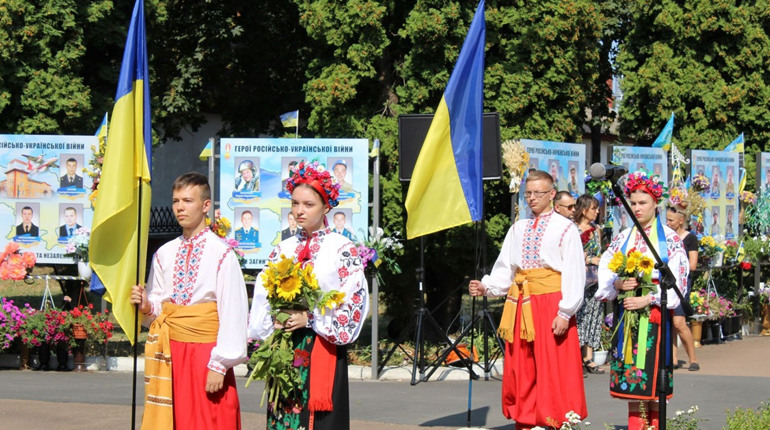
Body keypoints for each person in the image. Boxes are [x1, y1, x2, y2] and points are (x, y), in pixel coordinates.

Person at [249, 161, 369, 430]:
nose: (299, 211)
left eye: (308, 204)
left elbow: (354, 301)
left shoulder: (342, 249)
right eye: (294, 203)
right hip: (285, 349)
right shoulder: (283, 248)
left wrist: (311, 318)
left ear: (326, 206)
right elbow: (262, 294)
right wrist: (272, 321)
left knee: (321, 421)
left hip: (322, 347)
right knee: (283, 415)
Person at [468, 170, 586, 429]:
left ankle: (554, 419)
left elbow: (575, 272)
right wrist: (487, 286)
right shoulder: (518, 228)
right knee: (522, 362)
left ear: (552, 194)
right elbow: (505, 268)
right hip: (521, 302)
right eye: (528, 193)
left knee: (552, 364)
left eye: (538, 193)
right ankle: (526, 418)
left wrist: (565, 312)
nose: (532, 198)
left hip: (551, 301)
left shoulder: (565, 228)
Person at [130, 172, 248, 430]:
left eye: (187, 200)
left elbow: (233, 313)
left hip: (206, 354)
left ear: (206, 205)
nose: (180, 207)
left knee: (212, 420)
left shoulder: (223, 254)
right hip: (170, 352)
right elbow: (159, 311)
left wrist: (220, 364)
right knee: (175, 421)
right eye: (175, 201)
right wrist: (147, 306)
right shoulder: (164, 253)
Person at [596, 170, 689, 430]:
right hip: (627, 316)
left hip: (654, 316)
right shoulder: (623, 237)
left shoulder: (669, 240)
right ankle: (636, 426)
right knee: (633, 382)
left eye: (642, 203)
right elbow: (606, 269)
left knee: (653, 377)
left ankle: (655, 426)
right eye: (633, 203)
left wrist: (648, 299)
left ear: (655, 203)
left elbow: (679, 283)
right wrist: (616, 283)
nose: (636, 208)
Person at [574, 194, 605, 375]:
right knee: (580, 317)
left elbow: (599, 251)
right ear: (584, 210)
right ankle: (576, 357)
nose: (597, 212)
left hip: (595, 280)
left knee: (594, 316)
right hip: (580, 279)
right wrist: (590, 259)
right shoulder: (573, 229)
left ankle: (589, 357)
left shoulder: (596, 230)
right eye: (594, 208)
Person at [666, 206, 699, 370]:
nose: (668, 223)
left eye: (671, 220)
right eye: (666, 219)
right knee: (669, 322)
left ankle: (693, 358)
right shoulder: (665, 237)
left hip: (681, 285)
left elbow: (692, 265)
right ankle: (672, 359)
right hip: (666, 284)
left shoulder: (689, 238)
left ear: (681, 220)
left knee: (679, 323)